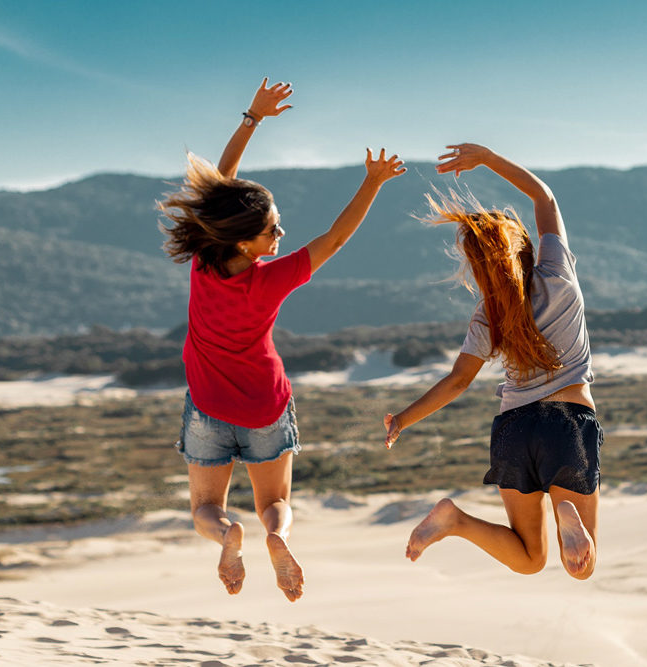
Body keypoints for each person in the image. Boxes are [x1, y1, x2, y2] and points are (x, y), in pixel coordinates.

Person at [159, 78, 405, 602]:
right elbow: (335, 237)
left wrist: (252, 117)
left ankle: (228, 535)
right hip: (266, 407)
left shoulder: (205, 263)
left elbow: (218, 186)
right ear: (246, 242)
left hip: (207, 408)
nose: (280, 237)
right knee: (275, 503)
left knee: (205, 508)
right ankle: (275, 537)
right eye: (273, 231)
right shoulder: (271, 278)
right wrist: (373, 183)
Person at [383, 143, 600, 580]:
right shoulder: (556, 273)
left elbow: (458, 381)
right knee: (580, 568)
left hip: (513, 429)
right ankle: (567, 513)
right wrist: (486, 158)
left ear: (479, 270)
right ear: (522, 246)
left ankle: (455, 520)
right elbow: (544, 198)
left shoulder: (488, 314)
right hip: (569, 423)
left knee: (529, 558)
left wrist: (403, 419)